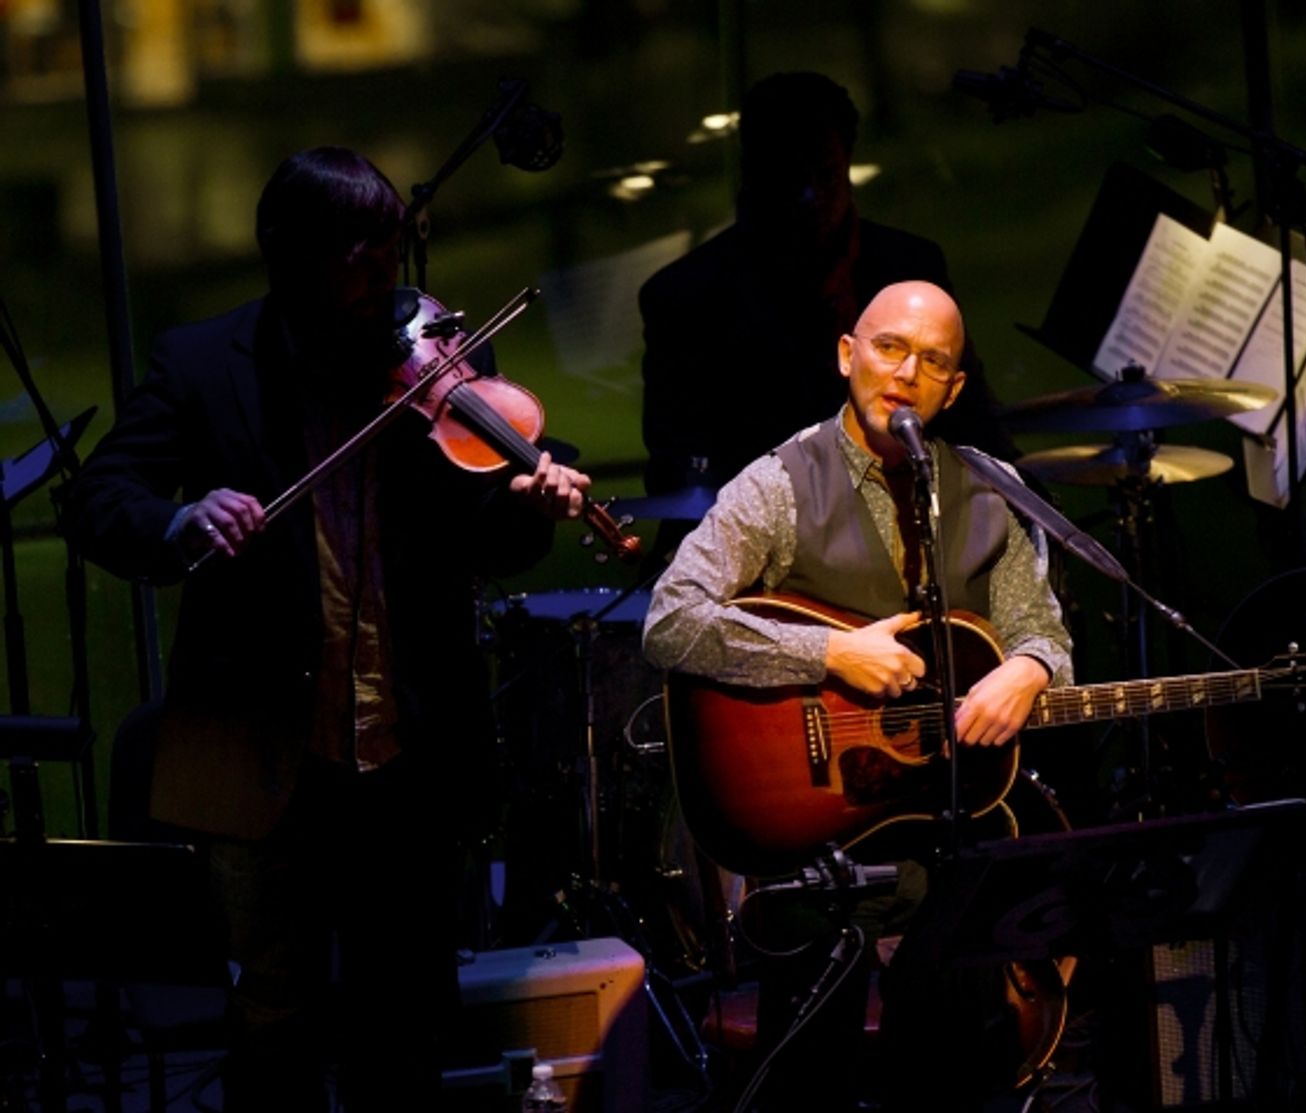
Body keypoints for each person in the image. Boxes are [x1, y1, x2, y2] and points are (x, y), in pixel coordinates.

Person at [66, 146, 590, 1111]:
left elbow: (489, 540)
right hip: (265, 753)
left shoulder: (436, 358)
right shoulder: (203, 363)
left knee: (408, 1019)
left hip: (411, 752)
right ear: (288, 256)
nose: (382, 284)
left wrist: (531, 498)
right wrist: (181, 519)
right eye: (356, 260)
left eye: (389, 257)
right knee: (275, 1017)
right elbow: (100, 498)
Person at [642, 280, 1072, 1110]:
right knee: (814, 1084)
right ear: (847, 356)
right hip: (813, 840)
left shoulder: (985, 491)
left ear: (953, 389)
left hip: (946, 844)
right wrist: (829, 651)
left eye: (933, 361)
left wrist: (1030, 669)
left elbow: (1041, 630)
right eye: (888, 348)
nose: (906, 373)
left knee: (962, 1069)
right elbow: (670, 619)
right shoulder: (778, 484)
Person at [639, 71, 1017, 513]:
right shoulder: (686, 298)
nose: (809, 197)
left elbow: (972, 421)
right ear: (751, 173)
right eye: (788, 178)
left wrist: (1023, 493)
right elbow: (678, 474)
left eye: (824, 175)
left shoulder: (910, 266)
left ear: (846, 165)